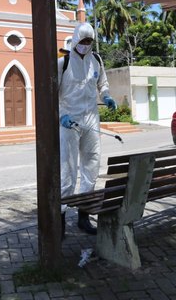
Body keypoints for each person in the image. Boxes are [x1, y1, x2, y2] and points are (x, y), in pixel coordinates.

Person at [58, 22, 116, 238]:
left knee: (91, 165)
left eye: (89, 41)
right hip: (69, 121)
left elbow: (103, 84)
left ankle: (84, 216)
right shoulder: (63, 63)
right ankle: (60, 219)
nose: (86, 44)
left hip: (92, 119)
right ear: (75, 39)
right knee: (68, 170)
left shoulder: (96, 61)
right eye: (82, 41)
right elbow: (51, 93)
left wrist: (107, 96)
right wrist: (60, 115)